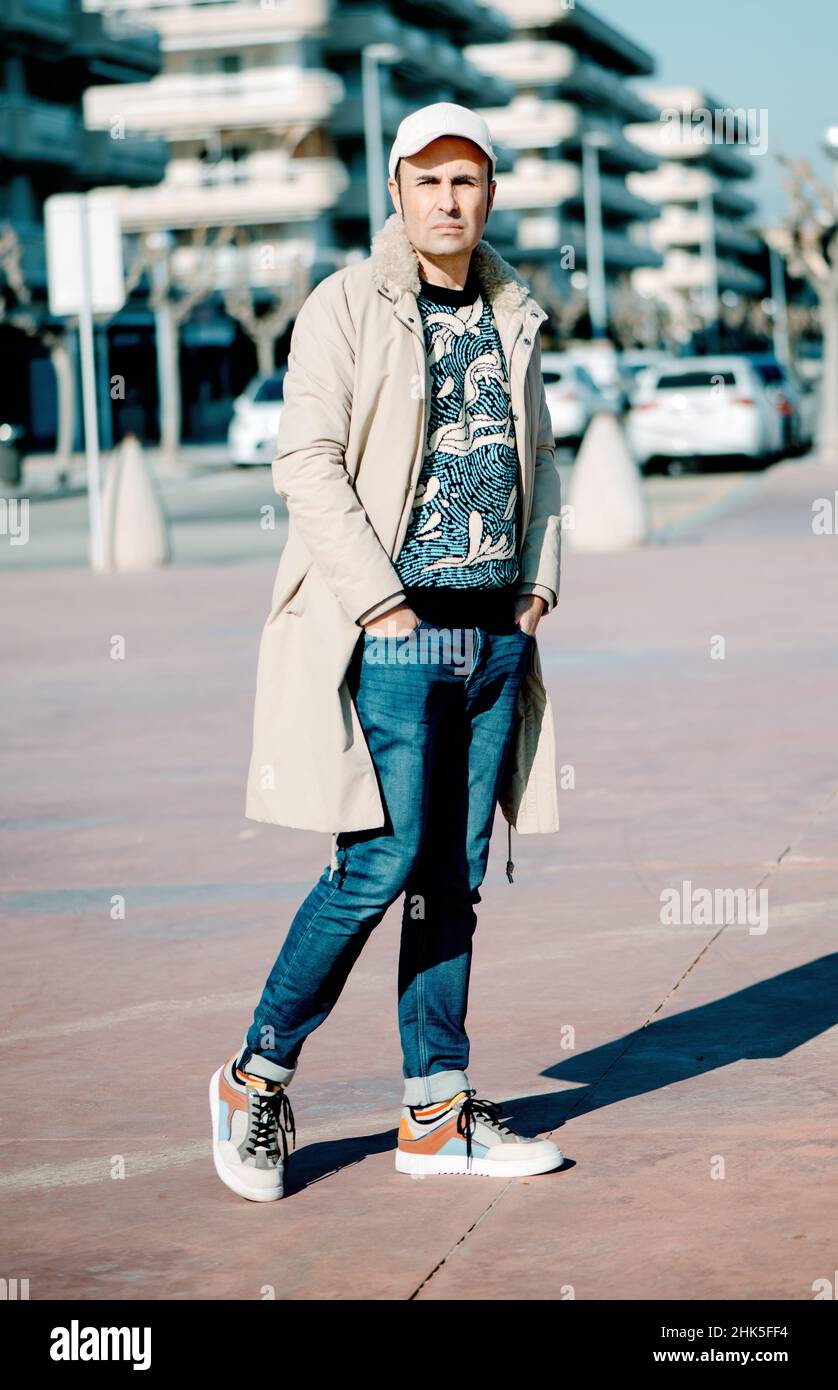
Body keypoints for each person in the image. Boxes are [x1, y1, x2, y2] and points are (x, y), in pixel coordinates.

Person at [210, 103, 564, 1202]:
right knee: (378, 862)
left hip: (495, 633)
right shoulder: (344, 307)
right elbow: (305, 461)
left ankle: (434, 1111)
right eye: (428, 182)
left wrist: (541, 579)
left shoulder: (515, 311)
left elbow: (539, 458)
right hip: (397, 636)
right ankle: (252, 1076)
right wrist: (380, 608)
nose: (448, 201)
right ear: (397, 196)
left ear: (489, 197)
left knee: (452, 878)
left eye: (467, 183)